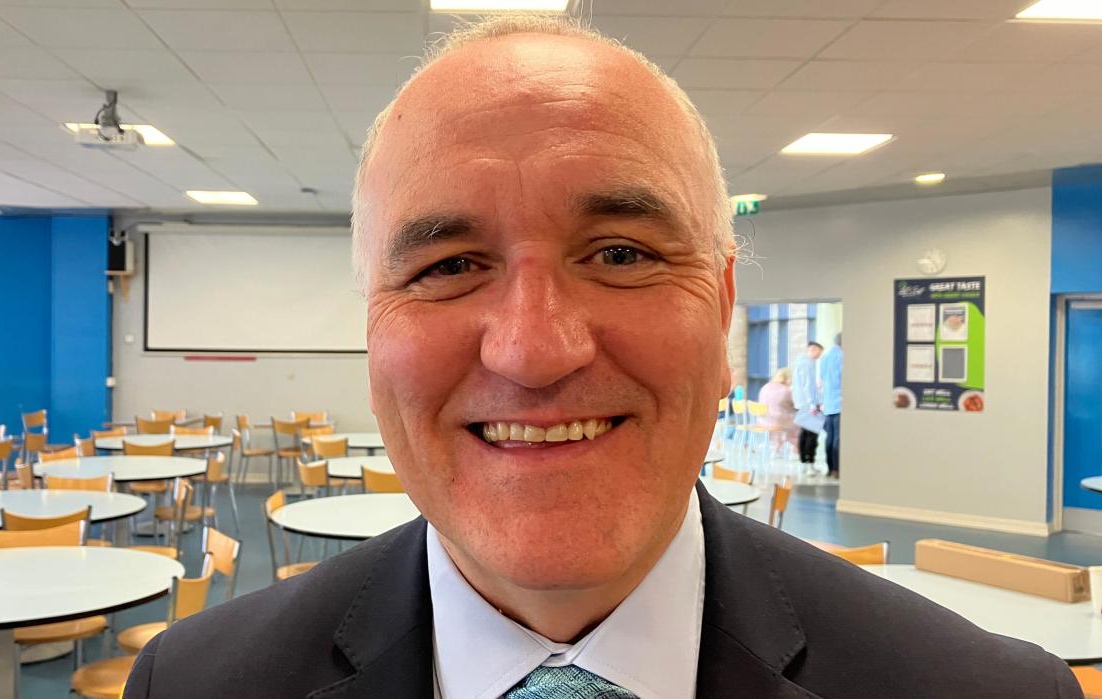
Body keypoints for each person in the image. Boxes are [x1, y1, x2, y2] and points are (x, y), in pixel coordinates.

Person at [124, 16, 1080, 699]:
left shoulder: (984, 689)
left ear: (723, 304)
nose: (534, 351)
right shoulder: (196, 682)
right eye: (450, 265)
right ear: (374, 322)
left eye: (621, 254)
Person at [792, 341, 823, 466]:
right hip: (807, 404)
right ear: (814, 350)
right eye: (819, 353)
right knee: (811, 434)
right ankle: (809, 462)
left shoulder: (800, 363)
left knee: (804, 432)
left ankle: (804, 462)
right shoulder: (808, 364)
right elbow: (808, 385)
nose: (819, 356)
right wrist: (812, 404)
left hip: (801, 402)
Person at [820, 334, 844, 479]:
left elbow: (822, 379)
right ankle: (837, 469)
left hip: (828, 402)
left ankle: (829, 468)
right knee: (839, 438)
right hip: (840, 402)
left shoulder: (825, 356)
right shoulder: (843, 356)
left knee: (830, 437)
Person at [757, 367, 797, 456]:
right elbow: (795, 406)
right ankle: (795, 449)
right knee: (799, 425)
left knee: (783, 420)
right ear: (788, 378)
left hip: (762, 420)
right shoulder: (786, 390)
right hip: (777, 421)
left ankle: (777, 446)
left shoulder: (765, 387)